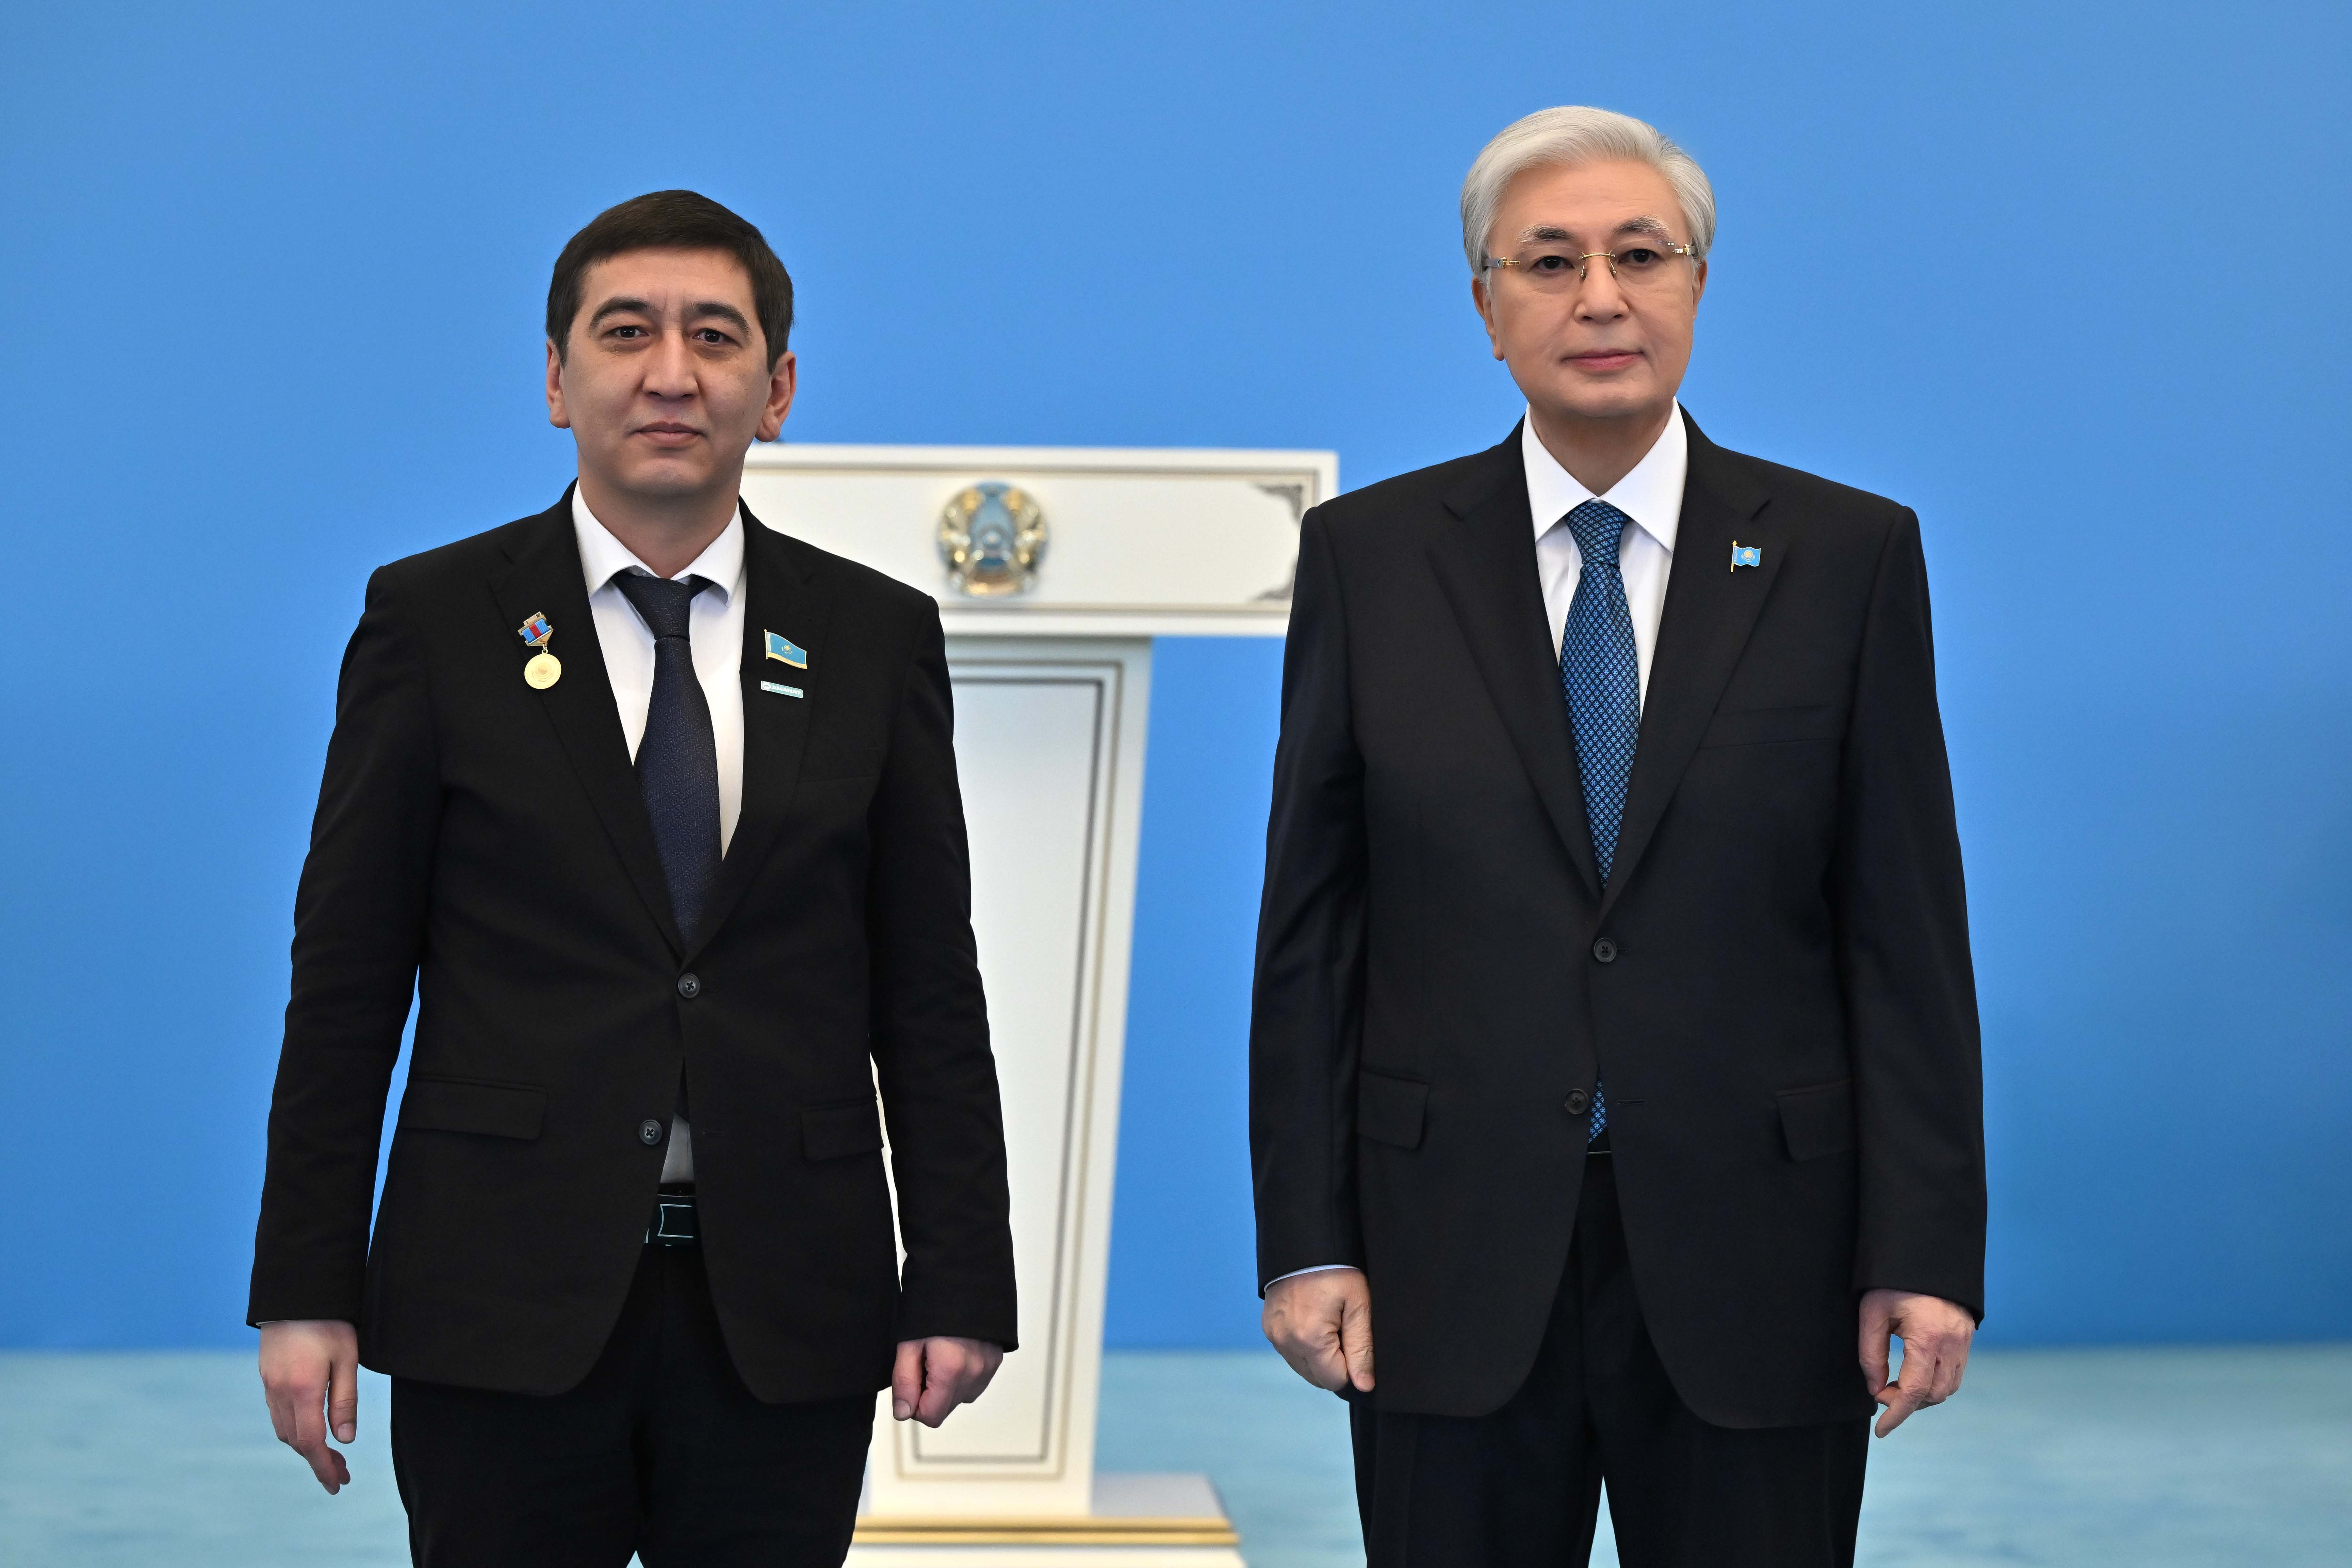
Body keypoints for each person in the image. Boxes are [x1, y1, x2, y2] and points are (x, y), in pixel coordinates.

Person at [1250, 108, 1984, 1567]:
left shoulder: (1848, 557)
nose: (1600, 297)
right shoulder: (1371, 558)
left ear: (1697, 285)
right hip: (1447, 1256)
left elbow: (1904, 933)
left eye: (1641, 256)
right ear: (1487, 307)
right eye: (1550, 262)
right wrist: (1308, 1238)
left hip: (1762, 1258)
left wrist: (1922, 1250)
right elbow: (1313, 933)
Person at [248, 190, 1018, 1567]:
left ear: (778, 390)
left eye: (716, 336)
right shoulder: (435, 622)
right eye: (626, 333)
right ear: (557, 380)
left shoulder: (874, 635)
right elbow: (347, 986)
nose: (672, 372)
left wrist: (961, 1275)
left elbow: (929, 990)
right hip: (499, 1300)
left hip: (787, 1308)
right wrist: (307, 1286)